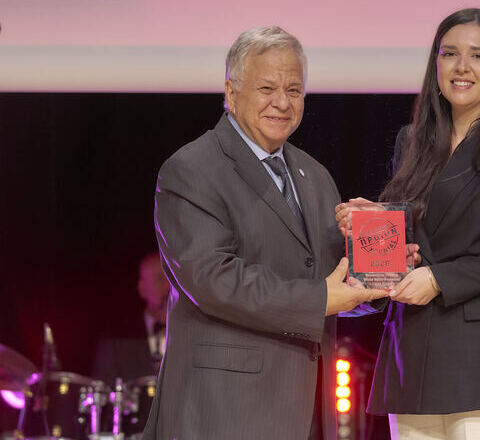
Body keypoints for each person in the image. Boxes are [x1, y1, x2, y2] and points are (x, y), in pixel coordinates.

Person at [143, 26, 387, 440]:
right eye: (267, 88)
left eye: (294, 90)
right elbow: (213, 280)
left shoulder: (314, 175)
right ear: (231, 92)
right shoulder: (191, 169)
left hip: (310, 412)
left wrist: (379, 261)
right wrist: (320, 298)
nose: (282, 102)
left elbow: (328, 281)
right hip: (225, 413)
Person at [336, 8, 480, 439]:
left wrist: (441, 279)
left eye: (478, 55)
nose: (462, 66)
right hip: (412, 361)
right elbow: (416, 250)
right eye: (449, 54)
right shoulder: (413, 141)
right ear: (436, 64)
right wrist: (374, 228)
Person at [92, 251, 169, 384]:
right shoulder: (115, 338)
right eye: (160, 279)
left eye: (172, 279)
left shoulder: (194, 331)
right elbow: (102, 387)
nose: (169, 286)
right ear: (142, 289)